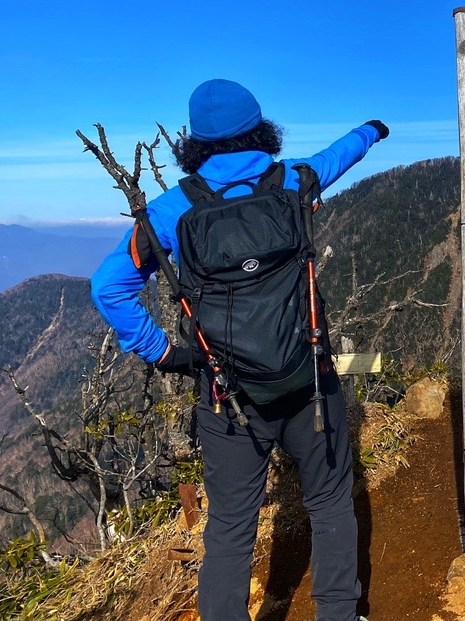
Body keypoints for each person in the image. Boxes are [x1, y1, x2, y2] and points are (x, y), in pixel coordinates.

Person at [90, 78, 387, 621]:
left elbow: (109, 287)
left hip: (227, 396)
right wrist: (372, 130)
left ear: (194, 143)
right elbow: (339, 155)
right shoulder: (295, 182)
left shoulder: (171, 211)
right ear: (261, 128)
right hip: (308, 379)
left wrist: (163, 353)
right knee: (328, 501)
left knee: (230, 524)